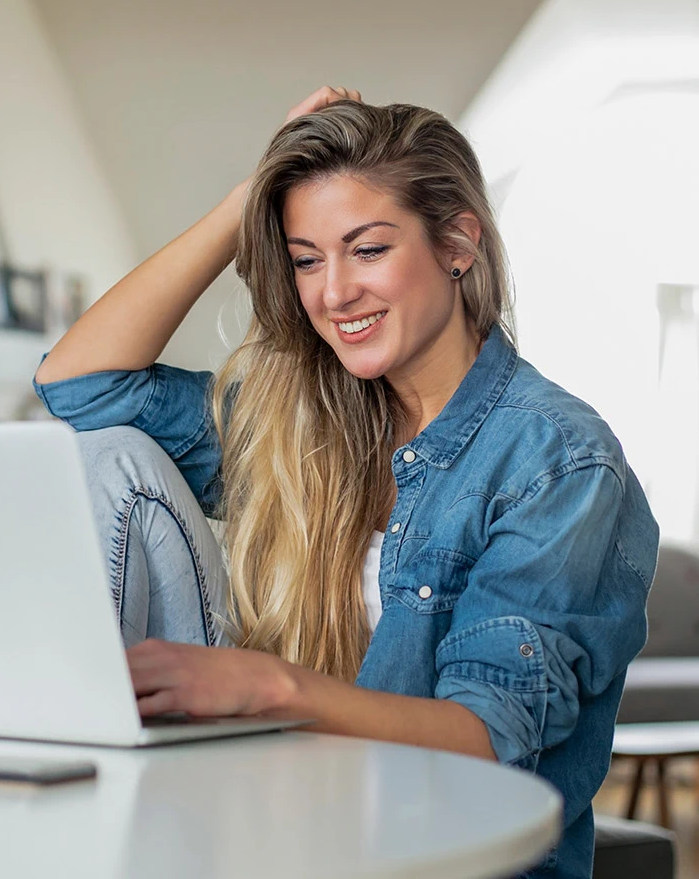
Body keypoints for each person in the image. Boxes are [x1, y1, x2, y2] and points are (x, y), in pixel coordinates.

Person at [33, 87, 658, 879]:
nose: (333, 293)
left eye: (367, 250)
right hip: (276, 829)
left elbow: (488, 739)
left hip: (439, 859)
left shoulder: (556, 458)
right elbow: (79, 387)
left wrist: (270, 689)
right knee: (110, 456)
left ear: (458, 243)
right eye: (305, 259)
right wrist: (246, 199)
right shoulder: (301, 421)